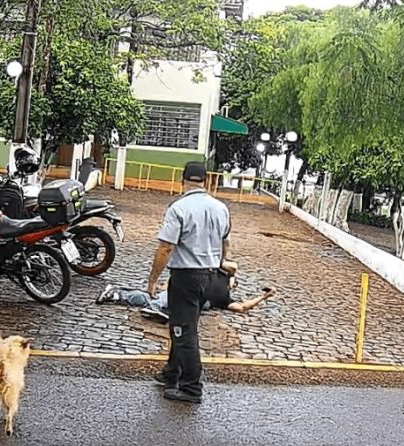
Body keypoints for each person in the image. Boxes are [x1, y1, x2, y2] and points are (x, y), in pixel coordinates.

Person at [147, 161, 231, 404]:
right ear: (206, 180)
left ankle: (191, 388)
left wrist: (153, 280)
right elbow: (226, 243)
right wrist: (220, 265)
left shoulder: (179, 208)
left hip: (185, 276)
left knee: (184, 332)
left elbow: (166, 247)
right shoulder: (220, 208)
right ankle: (171, 373)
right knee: (183, 325)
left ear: (183, 179)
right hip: (209, 275)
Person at [97, 261, 275, 321]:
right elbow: (232, 266)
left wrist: (264, 296)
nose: (234, 285)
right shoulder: (217, 272)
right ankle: (117, 294)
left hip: (192, 301)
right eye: (234, 282)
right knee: (158, 300)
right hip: (187, 286)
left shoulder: (225, 299)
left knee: (152, 300)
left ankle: (116, 294)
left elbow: (243, 307)